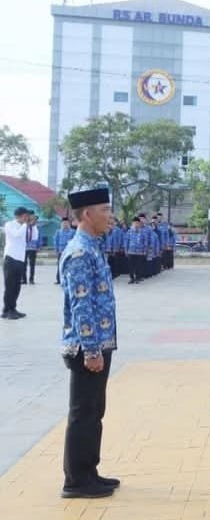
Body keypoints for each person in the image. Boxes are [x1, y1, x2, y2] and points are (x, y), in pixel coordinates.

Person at [58, 186, 120, 498]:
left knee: (95, 411)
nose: (110, 216)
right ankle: (76, 481)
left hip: (99, 344)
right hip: (86, 348)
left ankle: (89, 471)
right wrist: (93, 351)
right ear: (87, 214)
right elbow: (82, 307)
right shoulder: (80, 252)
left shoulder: (92, 246)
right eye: (105, 210)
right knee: (83, 413)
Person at [2, 206, 31, 319]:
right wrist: (25, 225)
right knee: (9, 286)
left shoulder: (24, 227)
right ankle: (6, 310)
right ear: (19, 216)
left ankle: (13, 308)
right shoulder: (9, 225)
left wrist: (30, 227)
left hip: (20, 258)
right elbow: (16, 235)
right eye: (25, 215)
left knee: (17, 286)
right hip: (11, 257)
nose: (27, 217)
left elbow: (32, 237)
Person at [124, 217, 147, 285]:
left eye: (137, 223)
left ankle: (137, 278)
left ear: (139, 224)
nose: (136, 224)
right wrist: (126, 249)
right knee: (131, 266)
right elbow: (126, 241)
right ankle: (131, 278)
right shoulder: (129, 231)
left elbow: (145, 241)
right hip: (131, 251)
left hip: (140, 252)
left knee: (138, 266)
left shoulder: (143, 232)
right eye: (135, 223)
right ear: (132, 223)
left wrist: (145, 250)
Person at [54, 217, 76, 284]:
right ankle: (59, 279)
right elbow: (56, 241)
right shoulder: (58, 232)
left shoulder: (73, 232)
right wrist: (56, 249)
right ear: (61, 224)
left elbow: (74, 241)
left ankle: (69, 278)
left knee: (69, 266)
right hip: (61, 251)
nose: (65, 224)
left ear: (69, 224)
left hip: (69, 252)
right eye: (63, 223)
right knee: (60, 265)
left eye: (66, 223)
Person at [22, 214, 40, 284]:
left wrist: (38, 246)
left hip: (33, 248)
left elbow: (39, 238)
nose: (34, 221)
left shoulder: (37, 228)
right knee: (24, 264)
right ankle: (24, 279)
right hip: (24, 248)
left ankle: (31, 279)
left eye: (35, 220)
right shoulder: (24, 227)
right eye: (32, 220)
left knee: (32, 264)